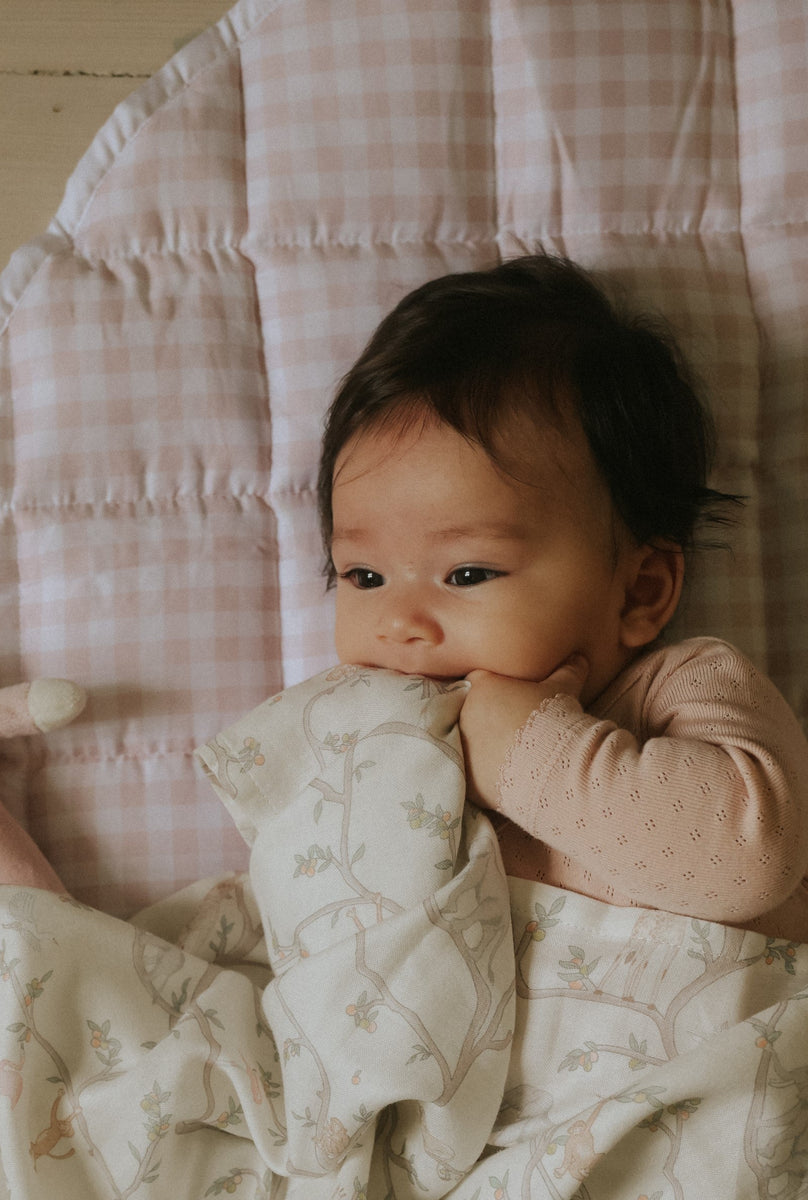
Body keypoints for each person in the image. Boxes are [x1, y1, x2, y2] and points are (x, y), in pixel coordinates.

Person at [318, 254, 808, 942]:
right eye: (363, 576)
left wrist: (524, 747)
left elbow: (751, 859)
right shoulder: (367, 746)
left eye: (466, 574)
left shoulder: (681, 689)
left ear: (640, 590)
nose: (398, 622)